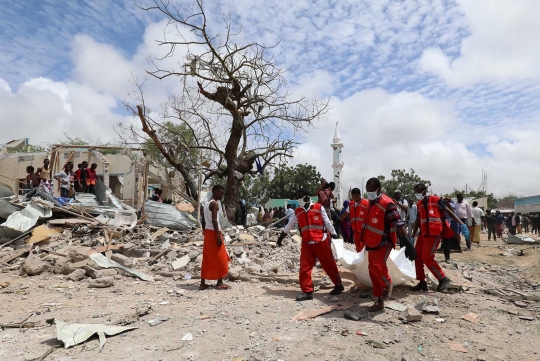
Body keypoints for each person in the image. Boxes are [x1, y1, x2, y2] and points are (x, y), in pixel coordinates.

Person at [345, 179, 416, 311]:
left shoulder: (387, 203)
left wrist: (407, 242)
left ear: (379, 189)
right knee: (372, 270)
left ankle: (388, 284)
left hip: (384, 242)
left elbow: (398, 223)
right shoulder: (370, 203)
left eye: (371, 191)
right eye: (368, 191)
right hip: (370, 241)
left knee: (378, 266)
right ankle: (379, 300)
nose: (369, 193)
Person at [276, 188, 344, 301]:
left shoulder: (319, 207)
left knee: (329, 265)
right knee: (304, 267)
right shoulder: (297, 211)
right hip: (307, 243)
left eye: (300, 196)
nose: (299, 199)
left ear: (307, 197)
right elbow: (289, 225)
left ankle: (338, 285)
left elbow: (327, 222)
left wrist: (335, 235)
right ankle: (307, 291)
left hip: (321, 241)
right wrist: (280, 238)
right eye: (297, 197)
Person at [411, 184, 463, 293]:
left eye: (418, 192)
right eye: (415, 192)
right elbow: (418, 219)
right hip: (424, 233)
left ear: (424, 192)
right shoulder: (419, 203)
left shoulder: (435, 200)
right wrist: (412, 234)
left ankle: (443, 278)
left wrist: (460, 223)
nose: (417, 195)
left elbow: (448, 211)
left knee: (427, 257)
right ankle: (422, 282)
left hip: (434, 232)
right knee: (417, 256)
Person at [200, 185, 230, 290]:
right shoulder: (215, 204)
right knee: (222, 257)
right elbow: (214, 220)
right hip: (214, 232)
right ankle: (219, 281)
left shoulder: (206, 204)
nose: (222, 195)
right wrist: (218, 235)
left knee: (207, 258)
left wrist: (204, 231)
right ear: (215, 192)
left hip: (208, 232)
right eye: (221, 193)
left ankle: (203, 282)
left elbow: (203, 220)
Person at [340, 188, 368, 252]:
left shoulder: (366, 203)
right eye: (353, 196)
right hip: (355, 230)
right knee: (357, 246)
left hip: (363, 230)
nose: (355, 198)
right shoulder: (351, 204)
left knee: (362, 247)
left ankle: (363, 260)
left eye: (356, 196)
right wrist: (340, 219)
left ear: (359, 195)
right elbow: (347, 213)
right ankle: (359, 259)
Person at [441, 197, 459, 263]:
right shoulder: (438, 204)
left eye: (447, 200)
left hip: (447, 223)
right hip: (438, 224)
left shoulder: (452, 205)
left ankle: (447, 257)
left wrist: (448, 205)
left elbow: (452, 213)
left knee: (446, 240)